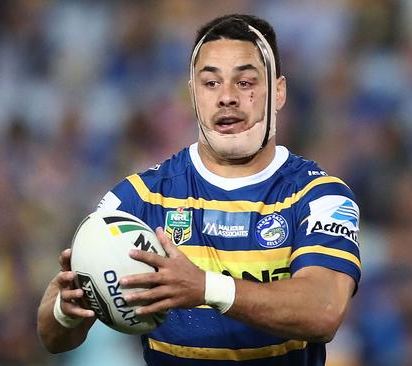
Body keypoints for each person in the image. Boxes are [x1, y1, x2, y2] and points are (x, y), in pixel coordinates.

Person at [37, 14, 361, 365]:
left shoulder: (319, 196)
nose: (226, 97)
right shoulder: (137, 199)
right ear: (193, 94)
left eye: (245, 81)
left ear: (278, 92)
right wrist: (69, 310)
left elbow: (324, 310)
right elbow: (53, 338)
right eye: (210, 83)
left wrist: (206, 288)